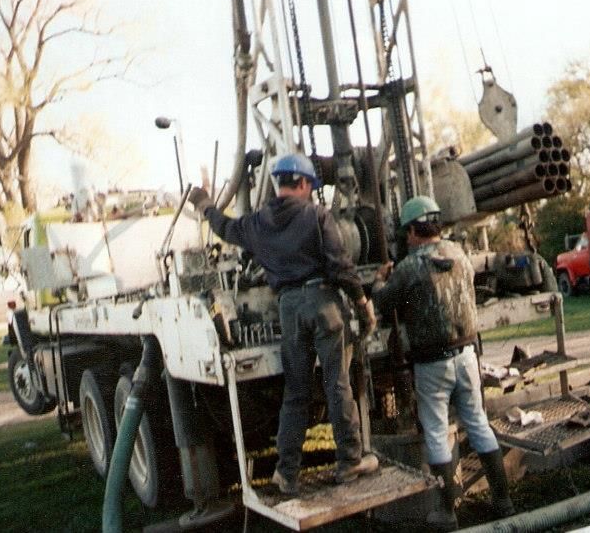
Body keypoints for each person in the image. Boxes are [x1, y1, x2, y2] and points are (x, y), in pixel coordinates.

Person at [187, 153, 378, 495]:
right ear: (304, 183)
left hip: (288, 309)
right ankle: (350, 462)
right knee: (337, 385)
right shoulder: (317, 215)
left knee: (296, 393)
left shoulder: (258, 223)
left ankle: (285, 473)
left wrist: (204, 204)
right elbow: (340, 266)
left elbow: (224, 228)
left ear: (278, 183)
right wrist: (363, 303)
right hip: (324, 304)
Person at [371, 195, 514, 530]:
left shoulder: (408, 268)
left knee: (436, 432)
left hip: (432, 363)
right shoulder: (460, 255)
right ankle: (503, 501)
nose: (406, 238)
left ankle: (447, 513)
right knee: (478, 422)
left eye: (407, 232)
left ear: (414, 231)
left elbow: (384, 301)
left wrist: (380, 279)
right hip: (466, 355)